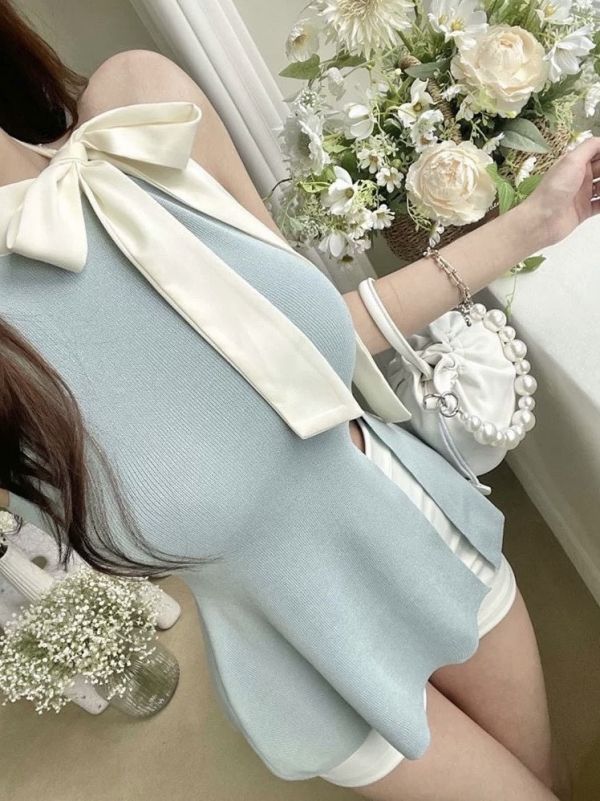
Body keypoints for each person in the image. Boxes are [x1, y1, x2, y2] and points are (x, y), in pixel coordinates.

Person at [0, 3, 596, 799]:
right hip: (300, 660)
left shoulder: (141, 110)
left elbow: (320, 343)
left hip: (424, 531)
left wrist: (537, 222)